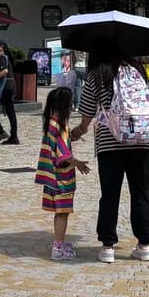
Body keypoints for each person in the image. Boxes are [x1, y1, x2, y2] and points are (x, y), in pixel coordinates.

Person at [71, 50, 149, 263]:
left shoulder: (97, 74)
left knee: (110, 194)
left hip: (110, 143)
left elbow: (88, 113)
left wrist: (78, 131)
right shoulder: (137, 70)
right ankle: (144, 245)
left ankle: (108, 247)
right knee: (141, 192)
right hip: (141, 139)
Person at [35, 86, 89, 260]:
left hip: (54, 177)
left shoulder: (52, 123)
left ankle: (59, 242)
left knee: (61, 212)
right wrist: (78, 163)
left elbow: (60, 145)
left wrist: (72, 137)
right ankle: (58, 247)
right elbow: (63, 155)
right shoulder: (59, 127)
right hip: (62, 178)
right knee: (63, 212)